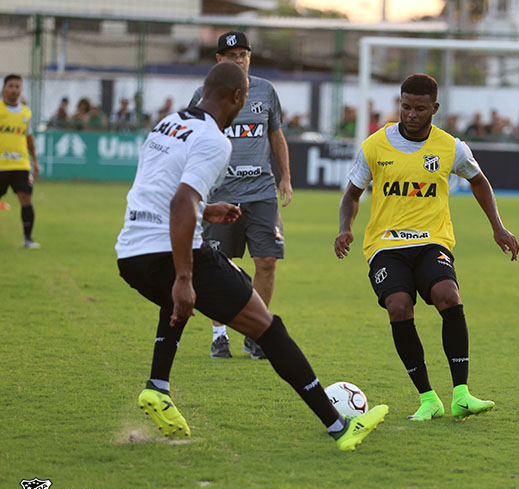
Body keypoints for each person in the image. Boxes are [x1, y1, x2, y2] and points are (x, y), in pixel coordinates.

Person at [115, 62, 387, 451]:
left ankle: (157, 386)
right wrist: (184, 277)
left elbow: (160, 188)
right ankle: (339, 427)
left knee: (172, 299)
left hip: (130, 253)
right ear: (239, 98)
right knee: (268, 327)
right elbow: (180, 201)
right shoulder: (213, 139)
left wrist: (206, 211)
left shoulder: (168, 123)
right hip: (165, 248)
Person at [334, 73, 519, 421]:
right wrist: (345, 228)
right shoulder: (375, 146)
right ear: (399, 104)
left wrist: (498, 227)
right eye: (405, 107)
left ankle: (462, 394)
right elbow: (351, 195)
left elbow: (479, 181)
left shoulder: (451, 147)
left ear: (434, 108)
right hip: (385, 245)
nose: (411, 114)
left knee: (448, 295)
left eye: (420, 108)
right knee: (399, 305)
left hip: (432, 239)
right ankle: (427, 398)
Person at [188, 31, 294, 359]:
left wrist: (285, 178)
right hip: (221, 193)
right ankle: (220, 335)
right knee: (220, 264)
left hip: (261, 191)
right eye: (232, 55)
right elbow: (194, 140)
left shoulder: (265, 91)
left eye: (244, 54)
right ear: (219, 60)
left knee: (267, 261)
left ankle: (255, 333)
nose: (239, 60)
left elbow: (276, 136)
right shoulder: (203, 95)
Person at [0, 74, 41, 248]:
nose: (14, 89)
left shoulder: (26, 113)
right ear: (4, 89)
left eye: (17, 86)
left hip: (21, 165)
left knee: (26, 200)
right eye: (11, 86)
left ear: (21, 89)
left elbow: (29, 139)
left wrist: (35, 161)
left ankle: (28, 239)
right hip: (1, 165)